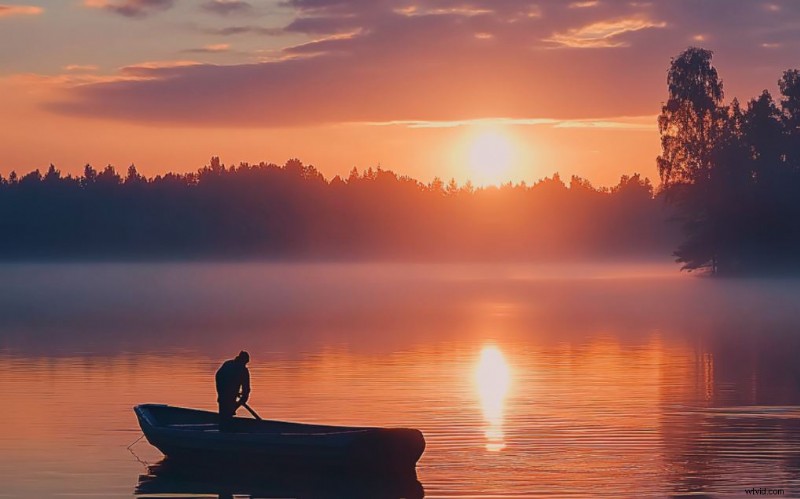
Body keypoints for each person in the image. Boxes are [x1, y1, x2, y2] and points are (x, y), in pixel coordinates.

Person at [215, 350, 251, 432]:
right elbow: (219, 377)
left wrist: (239, 398)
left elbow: (246, 389)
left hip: (225, 393)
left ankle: (225, 426)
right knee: (225, 415)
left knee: (225, 415)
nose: (245, 365)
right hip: (224, 392)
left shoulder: (229, 364)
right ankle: (225, 431)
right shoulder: (236, 368)